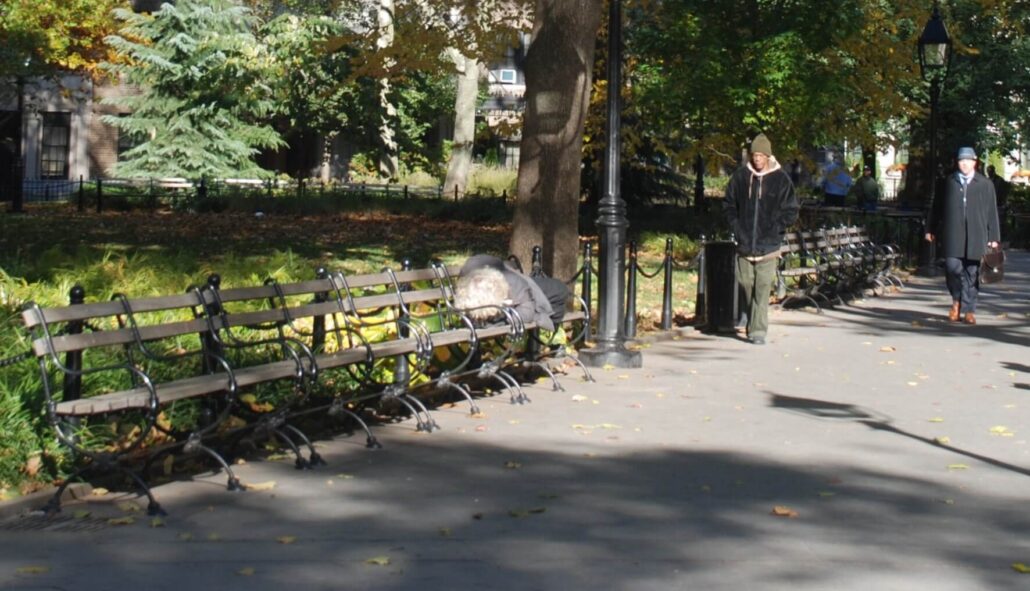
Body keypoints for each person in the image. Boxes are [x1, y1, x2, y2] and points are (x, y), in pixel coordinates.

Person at [722, 133, 800, 345]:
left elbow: (791, 210)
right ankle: (752, 316)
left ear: (767, 156)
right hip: (745, 242)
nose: (757, 159)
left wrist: (777, 228)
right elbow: (729, 204)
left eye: (760, 155)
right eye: (754, 155)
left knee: (763, 287)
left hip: (769, 245)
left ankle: (757, 331)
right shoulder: (740, 177)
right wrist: (737, 227)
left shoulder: (781, 179)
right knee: (746, 283)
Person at [925, 147, 1001, 325]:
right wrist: (931, 229)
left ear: (975, 162)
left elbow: (992, 211)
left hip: (977, 234)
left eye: (968, 160)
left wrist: (994, 236)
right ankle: (956, 301)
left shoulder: (985, 184)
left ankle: (969, 310)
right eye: (961, 161)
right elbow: (936, 208)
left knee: (972, 272)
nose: (964, 164)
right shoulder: (948, 182)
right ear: (957, 162)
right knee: (952, 268)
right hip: (953, 234)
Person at [454, 254, 569, 330]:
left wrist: (505, 317)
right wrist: (500, 319)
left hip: (525, 286)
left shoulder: (514, 283)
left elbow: (528, 312)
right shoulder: (467, 288)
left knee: (559, 289)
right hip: (503, 286)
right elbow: (468, 316)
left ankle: (544, 344)